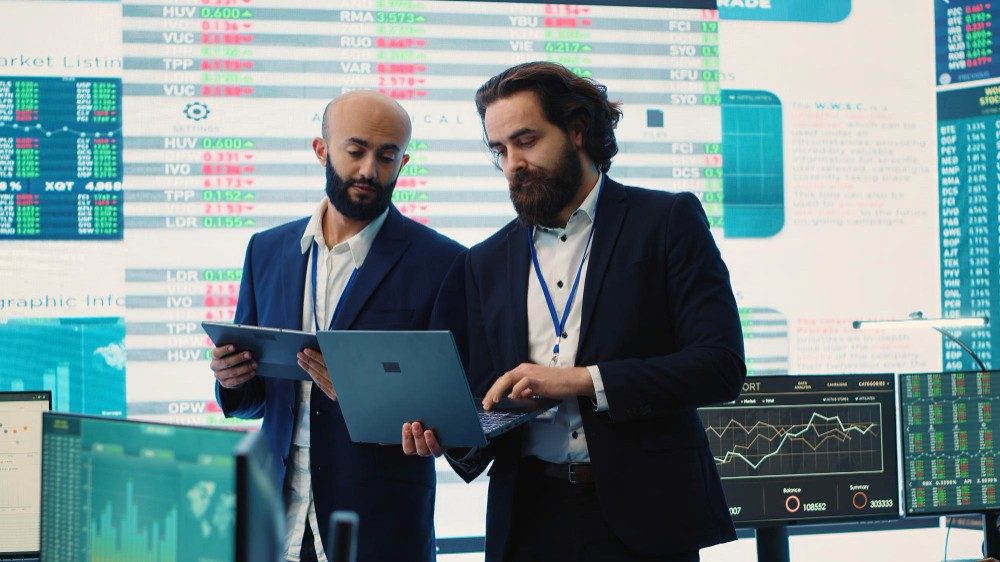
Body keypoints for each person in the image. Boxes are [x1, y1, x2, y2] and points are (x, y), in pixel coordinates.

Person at [403, 62, 746, 561]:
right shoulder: (484, 262)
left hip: (645, 518)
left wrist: (581, 381)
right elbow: (480, 397)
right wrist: (443, 431)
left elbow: (720, 367)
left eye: (526, 141)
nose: (512, 163)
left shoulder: (667, 222)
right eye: (499, 150)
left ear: (577, 132)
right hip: (527, 519)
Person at [210, 90, 464, 562]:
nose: (369, 169)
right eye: (355, 151)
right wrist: (232, 380)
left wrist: (365, 392)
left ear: (402, 162)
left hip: (379, 528)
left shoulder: (444, 263)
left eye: (387, 156)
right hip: (277, 522)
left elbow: (457, 411)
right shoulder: (265, 250)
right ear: (322, 150)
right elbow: (255, 401)